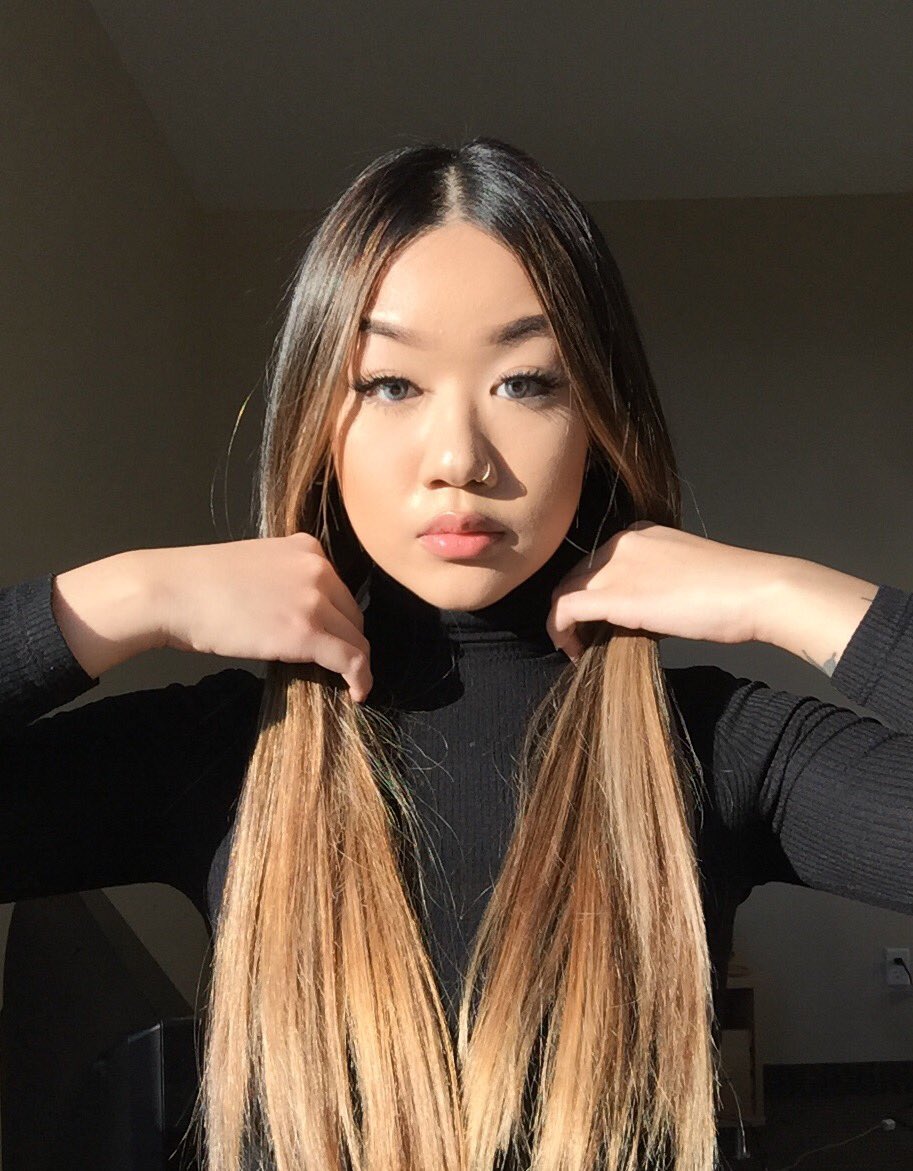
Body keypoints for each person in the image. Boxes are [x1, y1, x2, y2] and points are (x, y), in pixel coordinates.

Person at [2, 136, 910, 1171]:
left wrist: (789, 596)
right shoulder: (227, 749)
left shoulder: (713, 744)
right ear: (318, 420)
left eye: (525, 382)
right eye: (391, 383)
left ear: (599, 420)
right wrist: (116, 600)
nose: (458, 458)